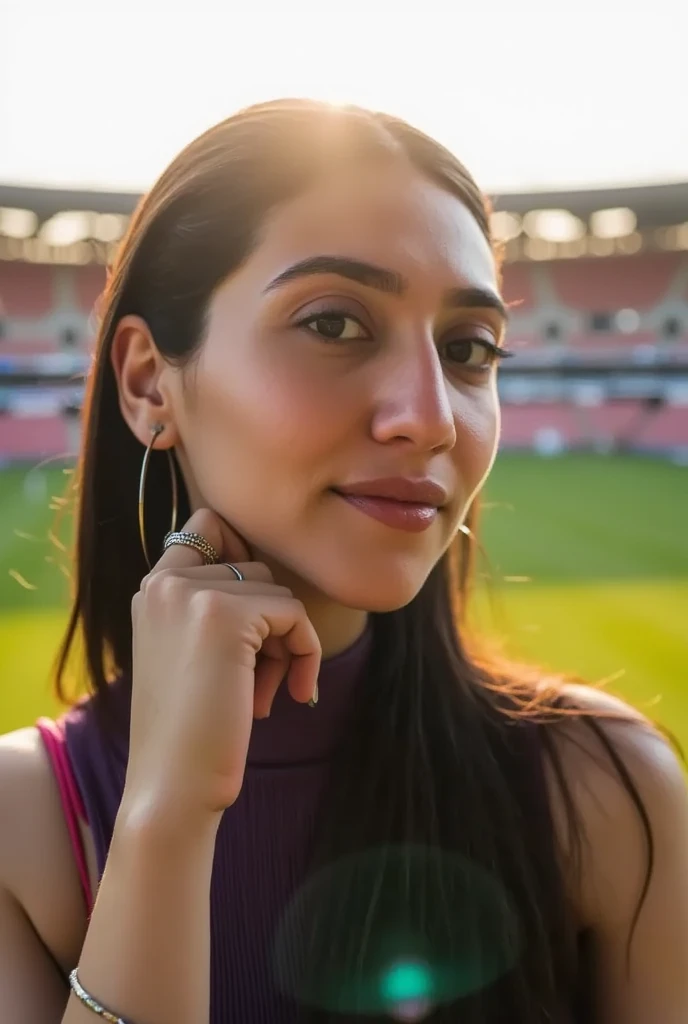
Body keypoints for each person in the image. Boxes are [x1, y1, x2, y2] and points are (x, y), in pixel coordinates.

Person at [0, 99, 686, 1024]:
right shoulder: (23, 833)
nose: (432, 416)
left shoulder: (609, 793)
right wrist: (166, 815)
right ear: (148, 381)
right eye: (333, 325)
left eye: (469, 350)